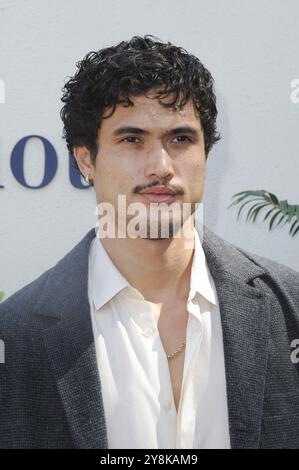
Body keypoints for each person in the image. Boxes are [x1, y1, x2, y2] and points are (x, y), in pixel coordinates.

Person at [0, 34, 298, 449]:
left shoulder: (290, 307)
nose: (160, 166)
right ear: (85, 159)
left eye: (180, 139)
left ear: (206, 154)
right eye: (131, 139)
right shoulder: (13, 336)